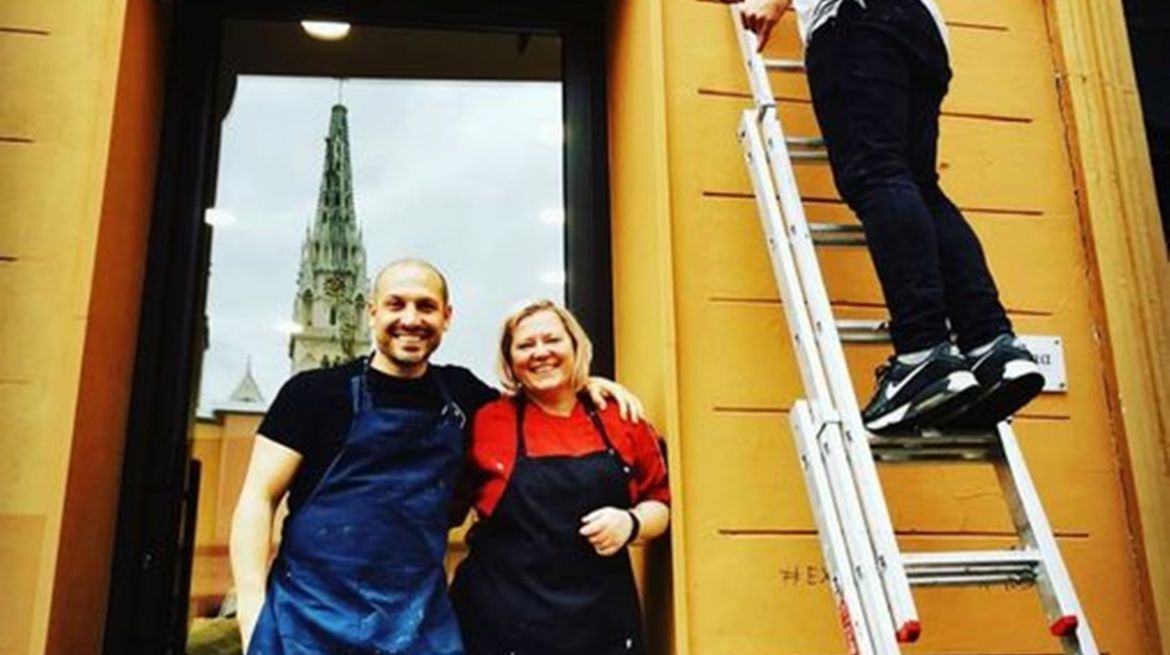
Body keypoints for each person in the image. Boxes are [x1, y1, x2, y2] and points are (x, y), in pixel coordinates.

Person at [230, 259, 641, 655]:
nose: (410, 319)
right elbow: (258, 499)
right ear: (372, 312)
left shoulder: (464, 394)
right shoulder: (311, 393)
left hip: (419, 625)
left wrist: (584, 385)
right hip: (308, 619)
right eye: (396, 304)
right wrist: (252, 610)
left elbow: (536, 403)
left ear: (447, 317)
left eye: (425, 306)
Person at [726, 0, 1045, 433]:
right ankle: (991, 344)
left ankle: (922, 354)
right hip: (919, 27)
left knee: (876, 176)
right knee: (919, 186)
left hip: (856, 20)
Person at [450, 299, 670, 655]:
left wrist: (631, 523)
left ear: (576, 346)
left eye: (552, 340)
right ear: (510, 361)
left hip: (602, 628)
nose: (541, 352)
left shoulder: (621, 417)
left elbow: (659, 501)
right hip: (501, 630)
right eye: (525, 345)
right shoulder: (485, 420)